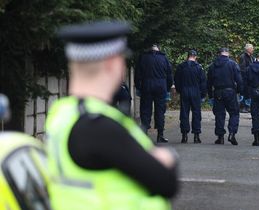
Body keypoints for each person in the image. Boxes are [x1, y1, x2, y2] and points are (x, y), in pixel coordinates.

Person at [45, 21, 178, 210]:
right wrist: (166, 158)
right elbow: (166, 183)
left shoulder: (62, 113)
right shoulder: (100, 126)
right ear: (111, 63)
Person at [135, 44, 173, 143]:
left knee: (145, 109)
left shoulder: (143, 58)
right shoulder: (164, 58)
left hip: (146, 85)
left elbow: (138, 74)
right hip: (161, 86)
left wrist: (139, 87)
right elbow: (169, 74)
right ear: (158, 49)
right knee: (160, 110)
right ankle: (160, 135)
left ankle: (144, 133)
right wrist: (167, 87)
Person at [207, 48, 243, 145]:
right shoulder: (233, 64)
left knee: (219, 115)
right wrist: (240, 92)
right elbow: (239, 80)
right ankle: (232, 134)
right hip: (230, 91)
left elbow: (209, 83)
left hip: (218, 92)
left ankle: (220, 137)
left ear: (219, 54)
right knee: (234, 113)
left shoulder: (213, 66)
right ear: (228, 53)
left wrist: (210, 96)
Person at [174, 50, 207, 144]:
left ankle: (184, 135)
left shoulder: (181, 67)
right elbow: (203, 82)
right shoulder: (199, 68)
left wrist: (180, 90)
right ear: (195, 57)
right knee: (196, 113)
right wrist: (203, 94)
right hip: (195, 92)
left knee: (184, 113)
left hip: (184, 91)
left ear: (187, 56)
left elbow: (177, 80)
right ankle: (196, 136)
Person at [239, 43, 255, 113]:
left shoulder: (251, 57)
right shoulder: (243, 57)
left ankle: (248, 107)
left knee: (249, 93)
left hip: (249, 79)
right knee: (244, 93)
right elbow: (242, 68)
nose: (253, 50)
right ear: (248, 49)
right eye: (252, 48)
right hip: (244, 78)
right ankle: (243, 107)